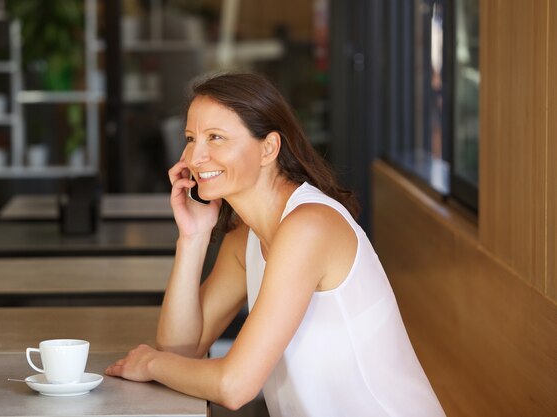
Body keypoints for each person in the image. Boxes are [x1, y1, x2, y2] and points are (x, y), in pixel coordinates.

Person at [106, 73, 446, 416]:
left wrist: (150, 364)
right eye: (191, 139)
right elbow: (180, 352)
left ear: (268, 148)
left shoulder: (308, 227)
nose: (195, 157)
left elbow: (234, 386)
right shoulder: (248, 237)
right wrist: (193, 237)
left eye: (216, 138)